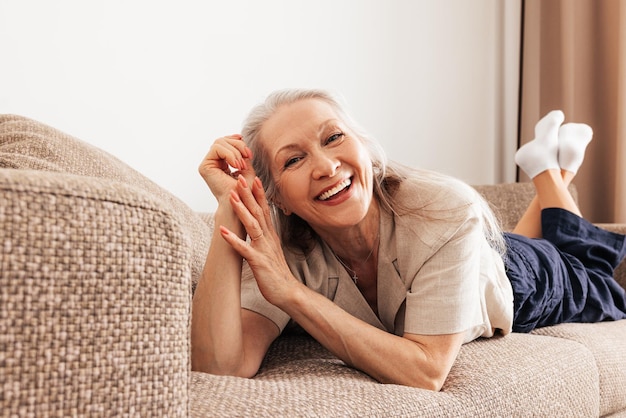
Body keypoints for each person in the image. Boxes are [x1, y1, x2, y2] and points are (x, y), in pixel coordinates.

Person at [191, 89, 626, 391]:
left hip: (516, 277)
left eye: (334, 137)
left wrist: (290, 294)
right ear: (277, 198)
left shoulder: (444, 208)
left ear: (363, 146)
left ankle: (548, 172)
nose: (325, 166)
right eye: (295, 159)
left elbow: (426, 372)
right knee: (571, 252)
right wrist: (231, 206)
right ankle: (555, 168)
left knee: (598, 277)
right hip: (467, 252)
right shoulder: (281, 247)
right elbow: (219, 366)